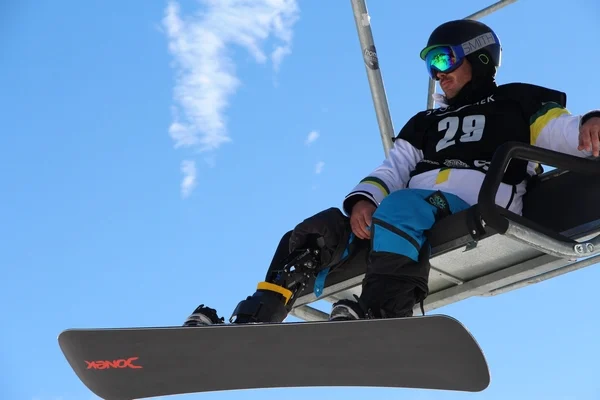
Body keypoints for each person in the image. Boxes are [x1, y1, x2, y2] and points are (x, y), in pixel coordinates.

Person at [183, 19, 600, 326]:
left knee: (402, 207)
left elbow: (559, 131)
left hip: (478, 200)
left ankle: (382, 313)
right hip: (404, 212)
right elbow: (395, 166)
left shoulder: (516, 102)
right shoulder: (425, 122)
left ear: (478, 57)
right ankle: (258, 315)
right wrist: (364, 201)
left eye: (443, 58)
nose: (437, 73)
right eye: (430, 65)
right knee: (315, 232)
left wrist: (588, 126)